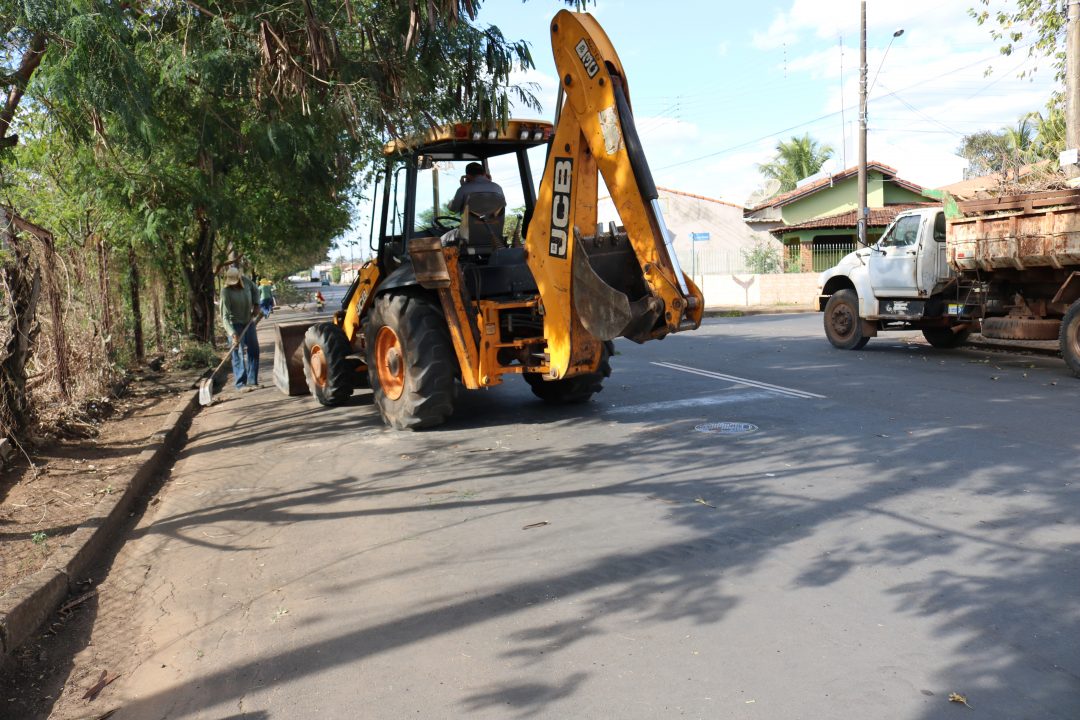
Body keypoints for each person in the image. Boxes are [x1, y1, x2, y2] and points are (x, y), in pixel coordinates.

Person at [220, 265, 260, 391]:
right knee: (238, 353)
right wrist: (232, 334)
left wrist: (256, 304)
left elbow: (256, 290)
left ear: (239, 278)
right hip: (235, 325)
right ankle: (240, 384)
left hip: (248, 322)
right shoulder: (225, 292)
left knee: (254, 350)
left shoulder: (246, 282)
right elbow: (224, 317)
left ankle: (252, 381)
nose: (234, 284)